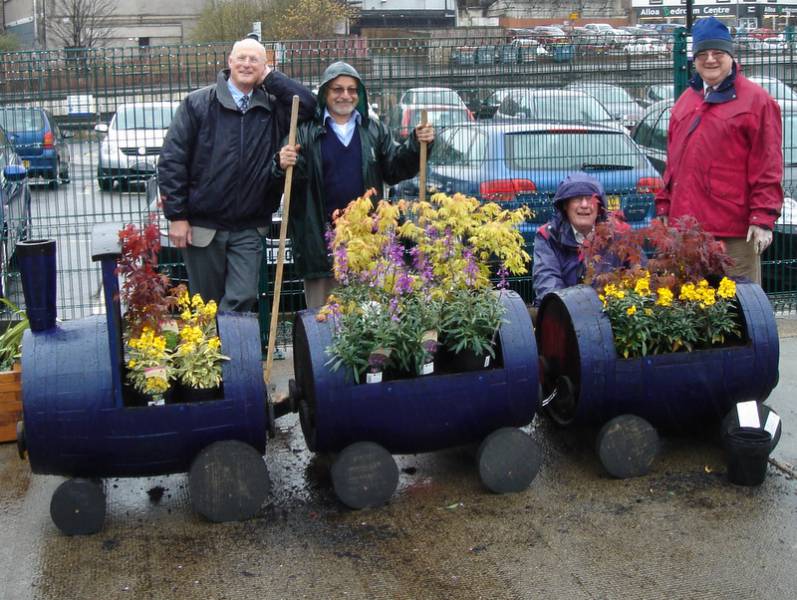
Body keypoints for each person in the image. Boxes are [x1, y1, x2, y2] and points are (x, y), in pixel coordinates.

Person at [158, 38, 316, 312]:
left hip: (249, 226)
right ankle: (211, 352)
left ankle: (231, 346)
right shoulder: (197, 104)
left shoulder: (272, 106)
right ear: (229, 62)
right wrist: (177, 217)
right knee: (205, 305)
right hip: (203, 226)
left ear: (264, 67)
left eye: (254, 60)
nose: (246, 64)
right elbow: (172, 161)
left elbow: (306, 104)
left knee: (242, 297)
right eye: (241, 58)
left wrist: (269, 78)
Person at [276, 61, 435, 309]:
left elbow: (394, 169)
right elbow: (286, 181)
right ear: (325, 93)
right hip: (321, 242)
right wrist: (282, 163)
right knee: (325, 319)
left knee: (371, 315)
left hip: (368, 240)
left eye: (352, 90)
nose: (345, 95)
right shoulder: (303, 133)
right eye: (337, 89)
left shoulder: (373, 130)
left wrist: (417, 145)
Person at [655, 16, 783, 285]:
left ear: (731, 56)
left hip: (734, 234)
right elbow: (673, 164)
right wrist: (665, 204)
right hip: (686, 232)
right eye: (702, 54)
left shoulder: (757, 101)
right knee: (687, 316)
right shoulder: (685, 103)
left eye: (718, 53)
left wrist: (763, 217)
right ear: (694, 59)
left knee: (739, 315)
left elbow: (768, 164)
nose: (710, 59)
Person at [532, 173, 607, 307]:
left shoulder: (619, 233)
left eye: (590, 198)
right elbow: (547, 282)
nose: (584, 205)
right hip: (564, 315)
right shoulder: (548, 236)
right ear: (565, 205)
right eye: (577, 198)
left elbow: (640, 275)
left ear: (599, 206)